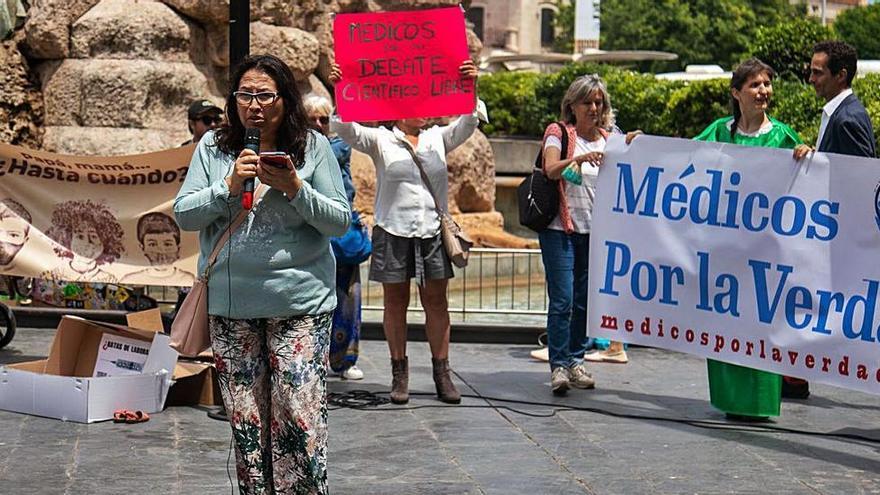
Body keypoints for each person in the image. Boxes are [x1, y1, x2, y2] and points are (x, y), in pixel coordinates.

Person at [174, 54, 350, 494]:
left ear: (284, 100)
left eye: (265, 95)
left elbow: (339, 222)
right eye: (245, 95)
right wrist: (228, 186)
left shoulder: (313, 147)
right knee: (247, 425)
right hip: (233, 307)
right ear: (233, 100)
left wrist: (295, 188)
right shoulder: (213, 149)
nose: (254, 105)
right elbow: (184, 215)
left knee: (297, 414)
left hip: (300, 304)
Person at [328, 59, 481, 405]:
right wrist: (342, 90)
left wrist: (471, 84)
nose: (426, 109)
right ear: (399, 108)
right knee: (395, 303)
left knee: (436, 302)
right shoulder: (382, 139)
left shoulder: (438, 138)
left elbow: (469, 121)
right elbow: (346, 128)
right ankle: (400, 374)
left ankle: (443, 374)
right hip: (393, 230)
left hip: (431, 231)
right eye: (418, 102)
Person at [695, 58, 803, 421]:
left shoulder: (783, 136)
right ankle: (730, 399)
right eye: (755, 85)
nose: (763, 91)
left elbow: (810, 182)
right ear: (736, 93)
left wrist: (809, 156)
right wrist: (639, 146)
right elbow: (679, 158)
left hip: (764, 252)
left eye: (767, 85)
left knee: (760, 324)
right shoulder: (718, 132)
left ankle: (758, 403)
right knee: (725, 321)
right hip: (725, 250)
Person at [538, 74, 640, 395]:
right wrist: (578, 159)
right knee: (563, 300)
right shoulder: (558, 133)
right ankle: (559, 366)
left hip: (595, 235)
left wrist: (639, 144)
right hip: (560, 231)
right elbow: (551, 168)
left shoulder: (610, 138)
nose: (595, 108)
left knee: (585, 303)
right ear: (573, 105)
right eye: (588, 102)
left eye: (599, 102)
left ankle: (575, 360)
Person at [789, 41, 877, 400]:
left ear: (840, 75)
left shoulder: (849, 117)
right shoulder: (838, 114)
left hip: (841, 238)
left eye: (817, 72)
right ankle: (797, 376)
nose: (810, 78)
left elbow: (862, 179)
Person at [303, 94, 364, 381]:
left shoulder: (336, 145)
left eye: (323, 119)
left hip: (339, 232)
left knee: (347, 297)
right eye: (311, 119)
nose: (318, 124)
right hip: (310, 231)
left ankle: (345, 359)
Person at [121, 212, 195, 285]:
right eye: (152, 244)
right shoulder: (130, 280)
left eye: (167, 244)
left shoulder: (188, 279)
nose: (161, 250)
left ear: (178, 248)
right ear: (143, 248)